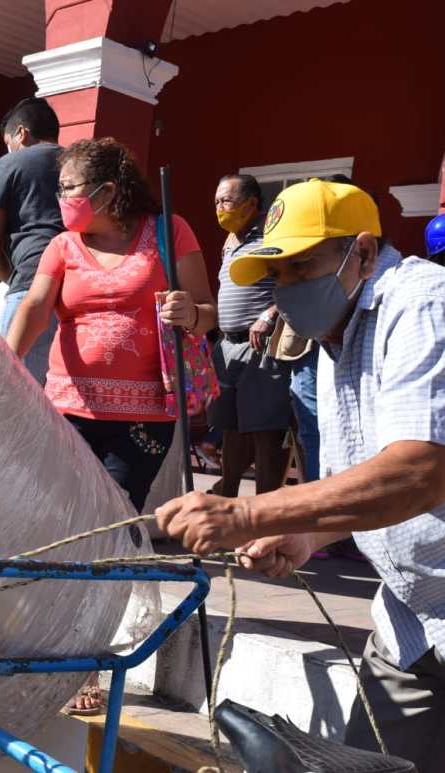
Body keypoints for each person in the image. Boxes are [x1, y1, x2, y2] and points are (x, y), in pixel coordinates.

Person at [156, 179, 445, 772]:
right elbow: (361, 483)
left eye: (301, 267)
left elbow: (420, 472)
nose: (287, 288)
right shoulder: (335, 334)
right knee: (368, 762)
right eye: (277, 274)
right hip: (412, 617)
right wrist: (308, 535)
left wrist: (246, 513)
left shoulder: (422, 305)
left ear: (364, 252)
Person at [7, 137, 216, 712]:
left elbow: (209, 310)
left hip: (142, 418)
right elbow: (34, 306)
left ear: (105, 191)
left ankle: (86, 661)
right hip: (67, 410)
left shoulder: (170, 232)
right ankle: (48, 642)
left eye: (68, 188)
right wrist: (4, 364)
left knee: (107, 531)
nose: (61, 199)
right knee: (62, 527)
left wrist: (191, 313)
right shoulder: (62, 245)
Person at [208, 174, 292, 496]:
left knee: (265, 431)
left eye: (226, 201)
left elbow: (295, 282)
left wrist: (269, 314)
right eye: (216, 201)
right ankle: (227, 496)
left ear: (251, 204)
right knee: (230, 427)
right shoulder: (231, 240)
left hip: (261, 346)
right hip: (227, 345)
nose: (220, 208)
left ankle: (264, 508)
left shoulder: (273, 234)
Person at [0, 97, 64, 384]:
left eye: (9, 142)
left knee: (11, 391)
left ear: (21, 133)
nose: (9, 149)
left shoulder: (10, 163)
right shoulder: (79, 165)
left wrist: (16, 280)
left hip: (30, 283)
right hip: (79, 288)